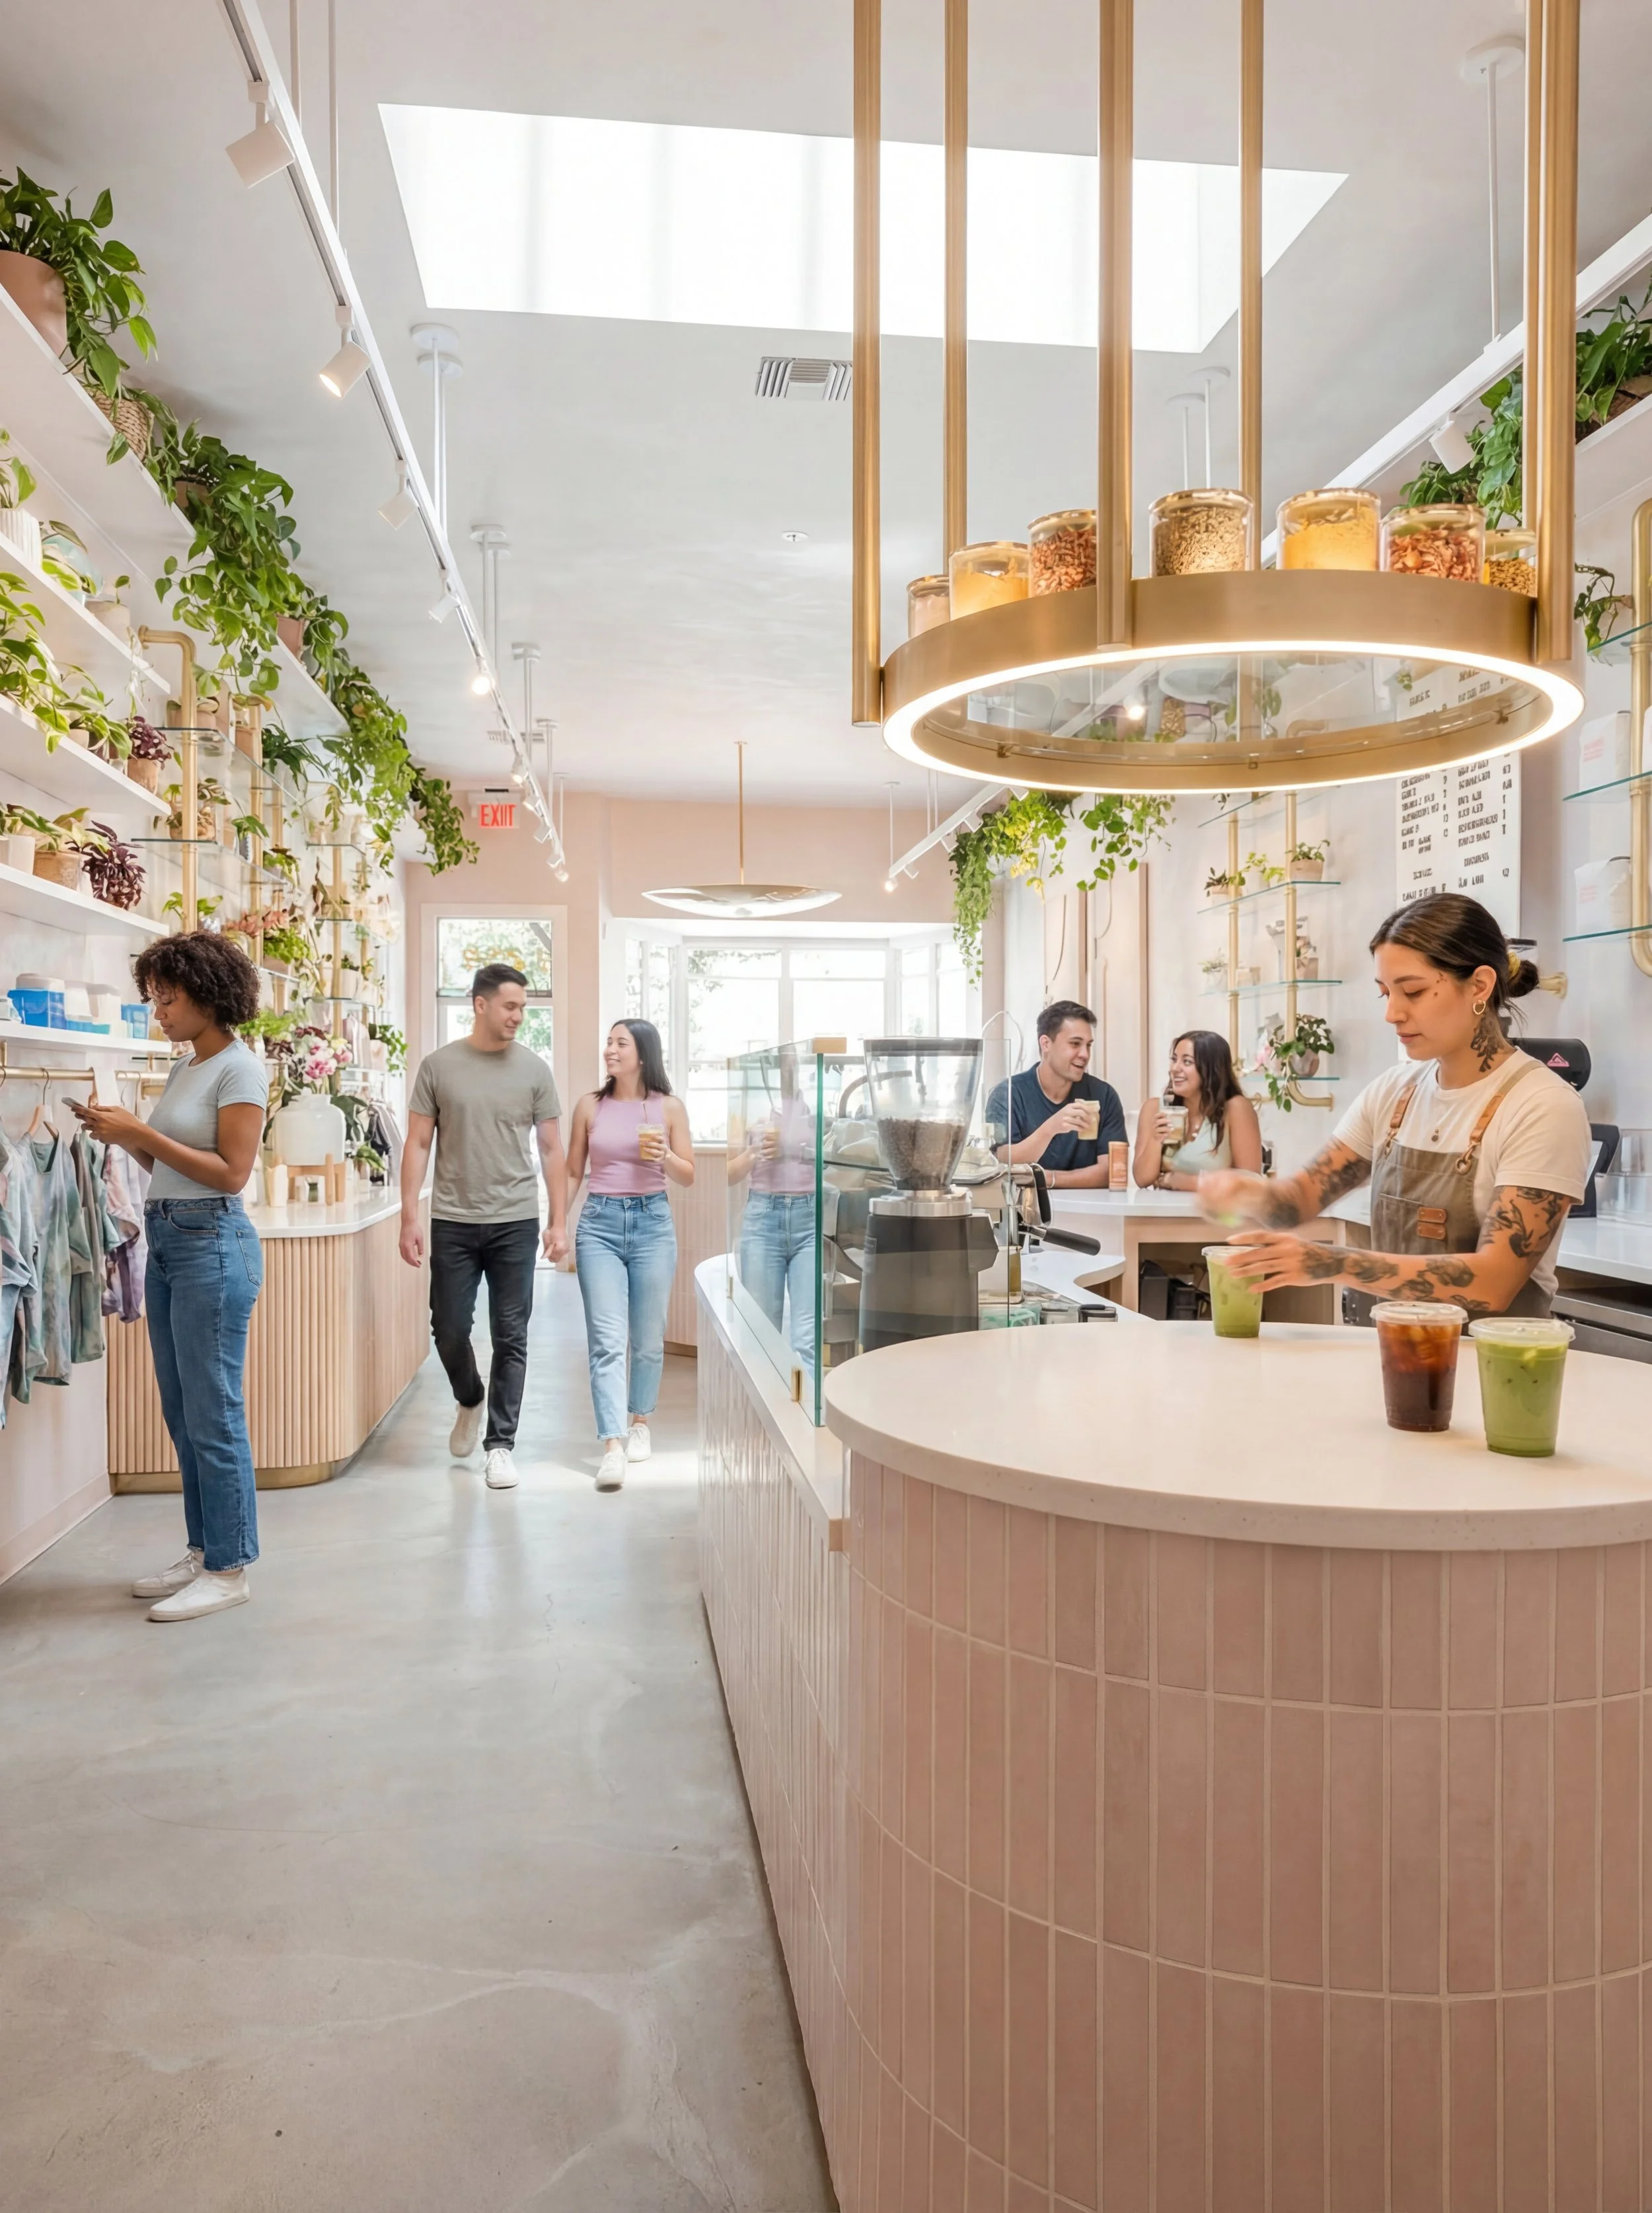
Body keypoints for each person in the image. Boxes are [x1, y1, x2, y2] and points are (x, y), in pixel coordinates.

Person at [1200, 894, 1591, 1316]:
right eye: (1385, 993)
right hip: (1393, 1358)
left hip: (1492, 1370)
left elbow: (1493, 1283)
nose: (1392, 1013)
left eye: (1414, 992)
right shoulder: (1393, 1093)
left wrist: (1330, 1262)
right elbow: (1297, 1203)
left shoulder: (1543, 1107)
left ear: (1479, 985)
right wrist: (1248, 1193)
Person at [69, 932, 268, 1622]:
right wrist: (126, 1137)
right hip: (172, 1240)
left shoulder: (239, 1069)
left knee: (214, 1414)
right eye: (154, 998)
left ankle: (230, 1565)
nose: (159, 1011)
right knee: (182, 1413)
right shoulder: (190, 1067)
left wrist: (140, 1135)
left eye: (168, 998)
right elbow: (178, 1168)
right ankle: (203, 1548)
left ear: (208, 995)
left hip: (213, 1243)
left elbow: (231, 1175)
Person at [400, 964, 568, 1491]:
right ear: (480, 1004)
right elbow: (419, 1143)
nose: (520, 1016)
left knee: (511, 1335)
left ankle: (500, 1445)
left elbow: (550, 1148)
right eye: (511, 1006)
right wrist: (410, 1213)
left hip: (516, 1219)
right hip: (453, 1218)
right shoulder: (438, 1066)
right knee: (448, 1329)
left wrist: (560, 1219)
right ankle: (469, 1397)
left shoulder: (535, 1070)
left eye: (524, 1008)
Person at [566, 1019, 695, 1492]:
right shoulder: (589, 1106)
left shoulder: (670, 1108)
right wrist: (557, 1221)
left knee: (648, 1337)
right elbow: (572, 1170)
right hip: (598, 1224)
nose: (610, 1050)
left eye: (621, 1043)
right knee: (605, 1338)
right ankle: (612, 1445)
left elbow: (688, 1176)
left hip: (653, 1225)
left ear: (643, 1054)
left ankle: (641, 1422)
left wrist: (663, 1156)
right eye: (608, 1042)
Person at [730, 1042, 817, 1377]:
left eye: (794, 1066)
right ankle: (763, 1425)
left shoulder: (815, 1112)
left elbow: (831, 1162)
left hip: (809, 1218)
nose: (788, 1073)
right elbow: (728, 1174)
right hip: (763, 1220)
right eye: (782, 1066)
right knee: (762, 1334)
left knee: (806, 1336)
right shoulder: (754, 1111)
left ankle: (805, 1422)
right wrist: (755, 1153)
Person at [984, 999, 1127, 1188]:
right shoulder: (1008, 1094)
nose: (1085, 1054)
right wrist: (1051, 1128)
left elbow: (1112, 1171)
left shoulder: (1104, 1095)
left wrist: (1046, 1178)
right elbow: (1003, 1163)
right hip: (1025, 1211)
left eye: (1088, 1045)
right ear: (1045, 1044)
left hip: (1092, 1213)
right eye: (1075, 1044)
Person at [1133, 1028, 1262, 1190]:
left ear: (1211, 1069)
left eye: (1187, 1062)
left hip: (1215, 1214)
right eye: (1174, 1060)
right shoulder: (1153, 1109)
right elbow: (1142, 1179)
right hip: (1161, 1213)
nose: (1175, 1068)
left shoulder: (1236, 1109)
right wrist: (1155, 1140)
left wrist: (1182, 1182)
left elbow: (1252, 1183)